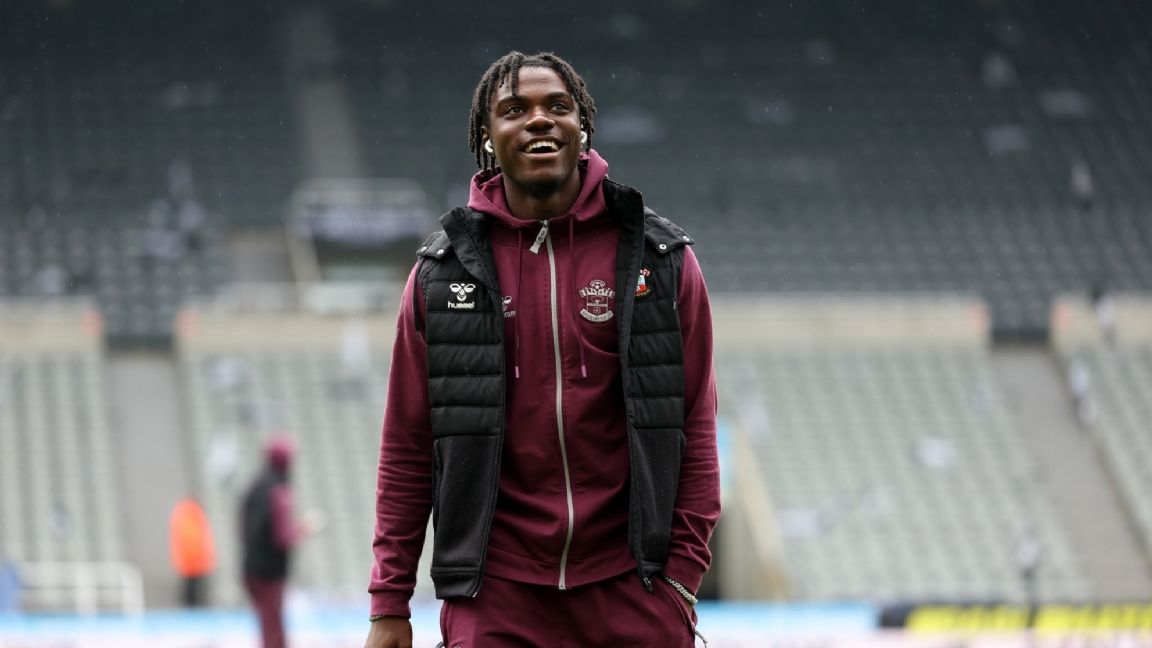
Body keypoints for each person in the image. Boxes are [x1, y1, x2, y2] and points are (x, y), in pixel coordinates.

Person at [365, 51, 720, 648]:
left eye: (558, 106)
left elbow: (697, 425)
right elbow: (407, 446)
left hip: (634, 588)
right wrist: (388, 602)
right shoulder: (440, 276)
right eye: (514, 109)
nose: (538, 119)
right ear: (487, 136)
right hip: (494, 598)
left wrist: (681, 577)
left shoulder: (661, 262)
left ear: (583, 128)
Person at [240, 435, 323, 648]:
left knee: (268, 625)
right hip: (270, 572)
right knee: (274, 631)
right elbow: (283, 538)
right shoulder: (281, 492)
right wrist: (305, 528)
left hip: (250, 568)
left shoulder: (253, 486)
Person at [169, 496, 216, 607]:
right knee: (193, 593)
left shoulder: (188, 516)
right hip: (193, 562)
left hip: (193, 562)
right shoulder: (193, 517)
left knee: (194, 593)